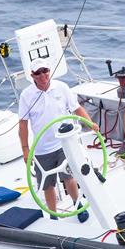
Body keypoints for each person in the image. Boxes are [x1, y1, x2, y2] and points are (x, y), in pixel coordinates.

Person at [18, 58, 98, 218]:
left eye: (45, 71)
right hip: (42, 148)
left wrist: (91, 124)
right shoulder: (26, 95)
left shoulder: (61, 87)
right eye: (38, 73)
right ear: (32, 75)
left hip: (65, 144)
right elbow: (22, 125)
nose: (42, 75)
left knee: (69, 177)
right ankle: (53, 214)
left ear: (50, 71)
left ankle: (77, 205)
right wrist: (26, 150)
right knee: (47, 185)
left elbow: (76, 108)